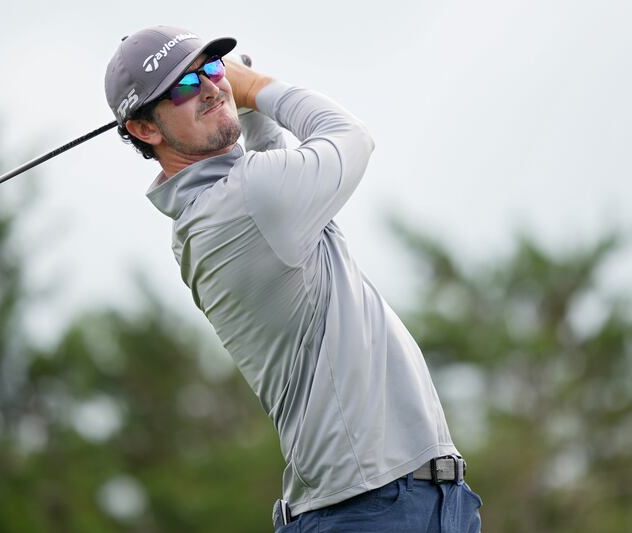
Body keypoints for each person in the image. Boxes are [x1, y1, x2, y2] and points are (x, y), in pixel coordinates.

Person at [104, 25, 483, 532]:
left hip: (392, 503)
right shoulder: (247, 201)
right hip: (375, 508)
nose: (214, 87)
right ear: (145, 129)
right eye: (184, 87)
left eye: (213, 70)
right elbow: (352, 137)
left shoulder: (218, 207)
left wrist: (243, 109)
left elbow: (267, 164)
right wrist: (256, 88)